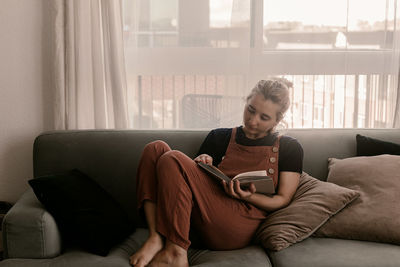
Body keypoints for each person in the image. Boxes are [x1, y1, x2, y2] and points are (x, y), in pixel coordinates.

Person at [129, 78, 303, 267]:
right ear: (246, 102)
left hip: (238, 224)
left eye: (264, 117)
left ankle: (175, 252)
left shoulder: (289, 147)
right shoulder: (219, 137)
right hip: (202, 215)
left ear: (278, 120)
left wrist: (248, 196)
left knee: (172, 158)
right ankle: (156, 237)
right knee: (155, 148)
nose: (253, 121)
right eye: (251, 110)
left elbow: (283, 199)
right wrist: (203, 159)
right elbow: (181, 185)